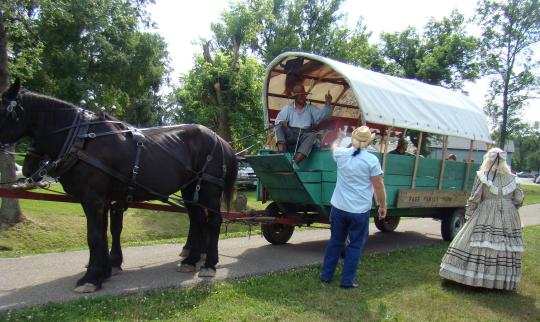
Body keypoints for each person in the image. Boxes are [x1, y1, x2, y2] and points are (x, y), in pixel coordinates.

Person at [439, 147, 524, 290]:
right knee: (503, 246)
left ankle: (476, 278)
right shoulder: (512, 178)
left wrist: (469, 218)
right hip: (509, 214)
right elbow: (519, 199)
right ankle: (499, 281)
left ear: (487, 159)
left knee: (482, 242)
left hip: (486, 211)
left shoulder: (483, 176)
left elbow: (475, 198)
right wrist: (509, 205)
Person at [320, 126, 387, 288]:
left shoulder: (342, 154)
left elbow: (334, 147)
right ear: (369, 142)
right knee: (355, 245)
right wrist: (382, 205)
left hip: (339, 208)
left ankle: (326, 276)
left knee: (335, 242)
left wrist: (340, 136)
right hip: (359, 211)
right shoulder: (372, 160)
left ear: (353, 140)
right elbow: (378, 186)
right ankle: (347, 281)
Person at [274, 85, 333, 164]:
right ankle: (282, 156)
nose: (302, 97)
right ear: (295, 97)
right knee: (278, 126)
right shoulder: (287, 108)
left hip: (304, 135)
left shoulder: (310, 108)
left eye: (303, 95)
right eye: (299, 95)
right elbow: (278, 120)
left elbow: (322, 116)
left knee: (312, 135)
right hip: (290, 134)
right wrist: (281, 122)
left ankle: (294, 163)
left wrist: (328, 104)